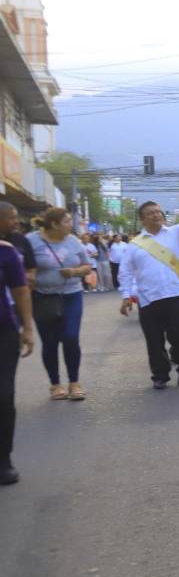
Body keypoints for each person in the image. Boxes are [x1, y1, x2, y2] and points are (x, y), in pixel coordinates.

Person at [119, 188, 179, 389]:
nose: (156, 215)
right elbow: (125, 272)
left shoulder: (176, 233)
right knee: (154, 341)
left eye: (158, 211)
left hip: (176, 295)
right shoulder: (134, 245)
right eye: (151, 213)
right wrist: (126, 296)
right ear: (142, 219)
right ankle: (160, 375)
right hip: (149, 299)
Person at [28, 209, 91, 401]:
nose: (70, 225)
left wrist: (74, 271)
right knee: (50, 342)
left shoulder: (73, 241)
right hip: (43, 298)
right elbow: (22, 266)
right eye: (67, 221)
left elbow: (87, 267)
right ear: (54, 224)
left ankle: (74, 382)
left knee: (71, 337)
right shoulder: (31, 240)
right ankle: (55, 384)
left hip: (71, 295)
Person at [0, 239, 34, 485]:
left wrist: (28, 328)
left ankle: (3, 459)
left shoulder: (5, 251)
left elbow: (20, 290)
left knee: (3, 395)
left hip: (3, 332)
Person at [0, 203, 37, 279]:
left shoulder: (22, 240)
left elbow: (31, 269)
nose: (17, 222)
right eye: (12, 218)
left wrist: (30, 277)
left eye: (16, 218)